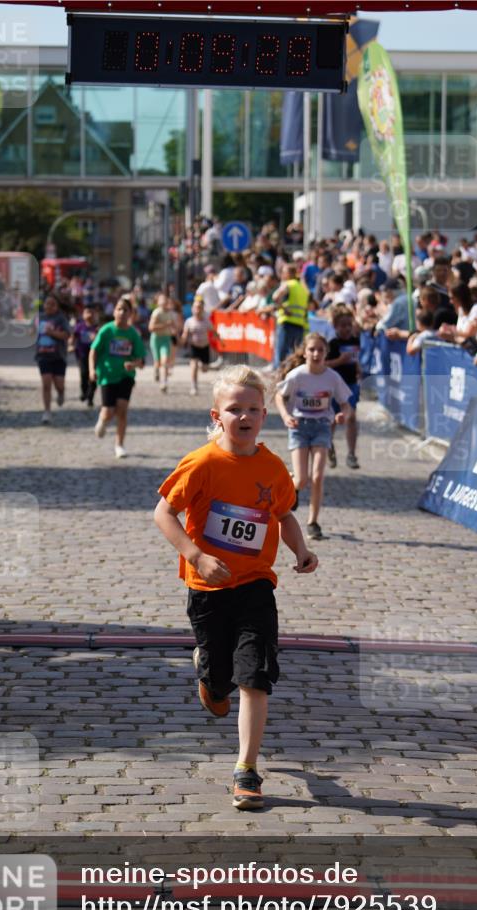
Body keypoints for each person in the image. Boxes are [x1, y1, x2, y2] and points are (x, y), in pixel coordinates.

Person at [154, 365, 318, 810]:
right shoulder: (202, 463)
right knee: (222, 677)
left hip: (255, 586)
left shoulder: (272, 466)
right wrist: (197, 556)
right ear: (216, 415)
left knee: (256, 676)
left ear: (264, 415)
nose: (243, 417)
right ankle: (209, 671)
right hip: (208, 587)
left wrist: (299, 551)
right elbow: (163, 514)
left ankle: (246, 769)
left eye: (252, 409)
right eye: (234, 409)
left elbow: (283, 515)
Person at [275, 333, 352, 540]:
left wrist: (343, 414)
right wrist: (285, 416)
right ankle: (293, 484)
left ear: (326, 352)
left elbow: (345, 402)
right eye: (312, 350)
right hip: (299, 427)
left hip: (322, 427)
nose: (316, 354)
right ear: (305, 352)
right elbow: (279, 397)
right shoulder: (297, 375)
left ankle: (313, 522)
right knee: (302, 479)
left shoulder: (332, 377)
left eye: (320, 350)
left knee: (317, 477)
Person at [89, 296, 145, 458]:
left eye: (125, 310)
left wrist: (132, 365)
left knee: (122, 411)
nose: (121, 312)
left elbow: (141, 360)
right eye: (119, 309)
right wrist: (92, 369)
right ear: (114, 312)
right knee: (108, 411)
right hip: (107, 375)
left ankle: (119, 445)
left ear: (130, 314)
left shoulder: (133, 334)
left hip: (125, 376)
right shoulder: (107, 330)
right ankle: (103, 419)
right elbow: (94, 350)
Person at [325, 305, 362, 469]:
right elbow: (324, 365)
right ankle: (328, 445)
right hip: (334, 386)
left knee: (351, 416)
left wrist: (358, 368)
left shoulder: (355, 340)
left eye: (349, 324)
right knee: (332, 419)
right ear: (335, 326)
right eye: (342, 325)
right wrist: (340, 360)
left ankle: (351, 454)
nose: (346, 328)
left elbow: (355, 358)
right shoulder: (333, 344)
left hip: (351, 384)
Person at [34, 294, 70, 424]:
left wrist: (52, 333)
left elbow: (67, 335)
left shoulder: (61, 319)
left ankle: (61, 393)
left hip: (58, 356)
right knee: (46, 384)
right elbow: (32, 332)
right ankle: (47, 412)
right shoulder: (39, 317)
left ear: (57, 306)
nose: (49, 306)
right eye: (47, 304)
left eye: (52, 304)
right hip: (43, 355)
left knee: (59, 384)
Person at [272, 262, 310, 363]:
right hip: (300, 325)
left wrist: (284, 309)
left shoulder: (288, 284)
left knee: (281, 354)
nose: (282, 275)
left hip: (287, 322)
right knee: (294, 355)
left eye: (283, 272)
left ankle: (279, 375)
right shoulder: (303, 289)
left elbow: (275, 297)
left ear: (289, 274)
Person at [181, 297, 216, 396]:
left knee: (205, 369)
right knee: (194, 365)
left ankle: (202, 366)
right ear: (192, 309)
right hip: (194, 346)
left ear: (203, 309)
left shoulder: (207, 321)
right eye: (196, 307)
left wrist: (219, 340)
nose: (197, 309)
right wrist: (182, 340)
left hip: (204, 347)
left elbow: (213, 332)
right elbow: (185, 333)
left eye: (199, 307)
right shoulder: (189, 321)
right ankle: (194, 386)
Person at [71, 303, 99, 406]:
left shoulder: (97, 328)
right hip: (82, 355)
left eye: (92, 312)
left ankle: (90, 397)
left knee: (93, 376)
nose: (89, 314)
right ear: (83, 314)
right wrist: (71, 344)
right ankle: (84, 392)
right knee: (84, 374)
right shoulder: (80, 326)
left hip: (95, 356)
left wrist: (96, 337)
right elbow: (73, 337)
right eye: (87, 312)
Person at [148, 292, 177, 392]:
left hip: (166, 338)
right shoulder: (157, 313)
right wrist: (165, 325)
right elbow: (151, 328)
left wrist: (174, 332)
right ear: (158, 302)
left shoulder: (170, 313)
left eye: (165, 300)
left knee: (165, 361)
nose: (164, 302)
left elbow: (174, 326)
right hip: (156, 339)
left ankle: (164, 382)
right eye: (162, 300)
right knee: (158, 362)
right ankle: (156, 370)